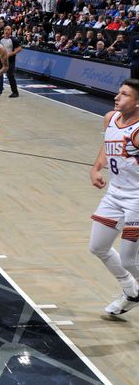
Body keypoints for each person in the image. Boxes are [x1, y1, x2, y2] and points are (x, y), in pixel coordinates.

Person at [87, 79, 139, 315]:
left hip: (136, 199)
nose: (117, 97)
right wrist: (96, 167)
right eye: (119, 92)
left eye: (125, 95)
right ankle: (131, 290)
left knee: (130, 261)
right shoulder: (110, 118)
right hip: (114, 194)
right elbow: (107, 143)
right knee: (98, 246)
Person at [0, 26, 22, 98]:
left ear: (11, 31)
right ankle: (0, 87)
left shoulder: (13, 40)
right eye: (5, 30)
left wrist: (11, 54)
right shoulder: (1, 39)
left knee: (10, 76)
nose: (6, 31)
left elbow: (19, 48)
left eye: (8, 30)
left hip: (10, 60)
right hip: (1, 60)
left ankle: (15, 92)